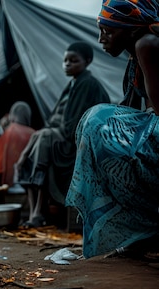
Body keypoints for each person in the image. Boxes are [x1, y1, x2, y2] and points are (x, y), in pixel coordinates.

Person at [66, 0, 159, 259]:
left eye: (108, 31)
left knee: (97, 121)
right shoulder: (137, 53)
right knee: (95, 123)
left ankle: (145, 230)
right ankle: (142, 233)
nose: (101, 38)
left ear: (131, 29)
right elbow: (132, 107)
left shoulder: (147, 44)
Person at [14, 42, 110, 228]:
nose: (67, 64)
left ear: (87, 61)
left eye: (73, 61)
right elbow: (54, 119)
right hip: (57, 136)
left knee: (44, 138)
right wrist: (25, 153)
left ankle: (38, 213)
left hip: (74, 143)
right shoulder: (71, 84)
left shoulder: (87, 84)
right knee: (39, 140)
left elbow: (74, 125)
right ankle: (36, 210)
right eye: (65, 60)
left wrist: (50, 132)